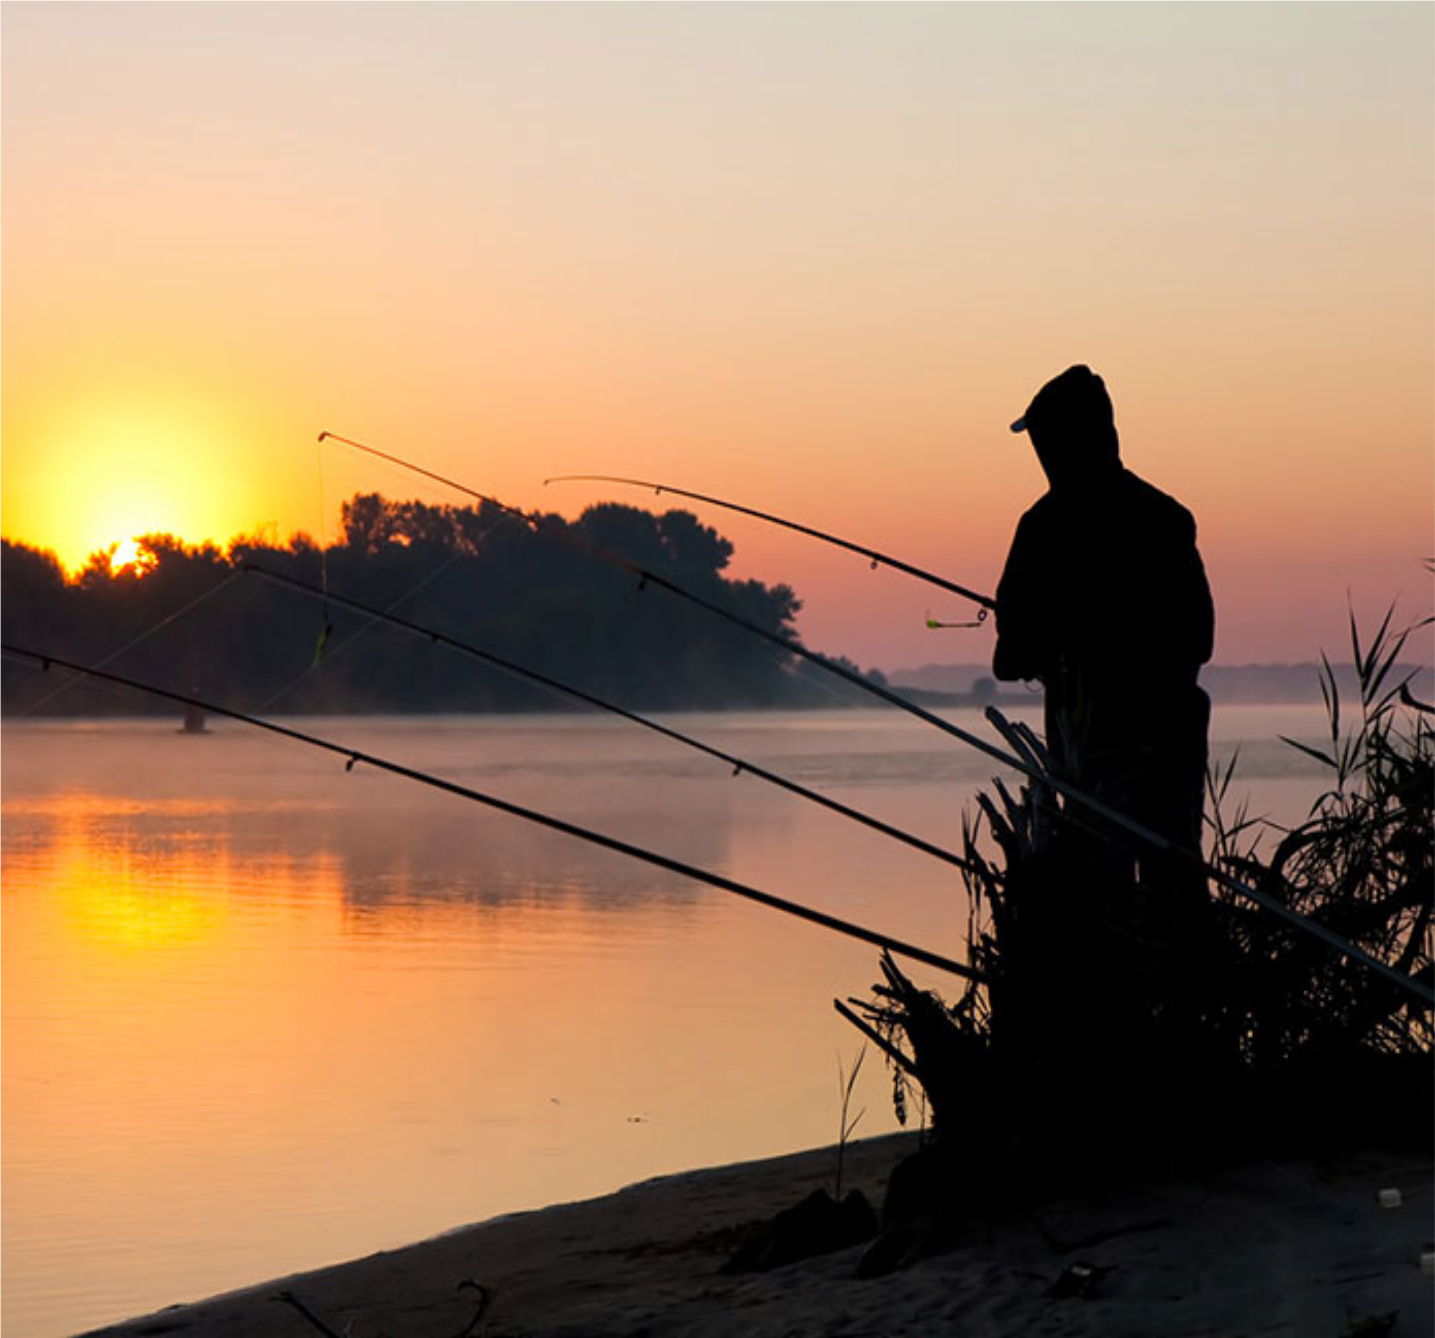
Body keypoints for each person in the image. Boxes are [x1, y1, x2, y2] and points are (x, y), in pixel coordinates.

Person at [993, 364, 1214, 880]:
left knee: (1101, 898)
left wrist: (1061, 643)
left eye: (1044, 439)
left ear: (1062, 442)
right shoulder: (1167, 517)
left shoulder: (1042, 529)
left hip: (1096, 754)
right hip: (1174, 743)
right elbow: (1200, 639)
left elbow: (1009, 660)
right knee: (1176, 885)